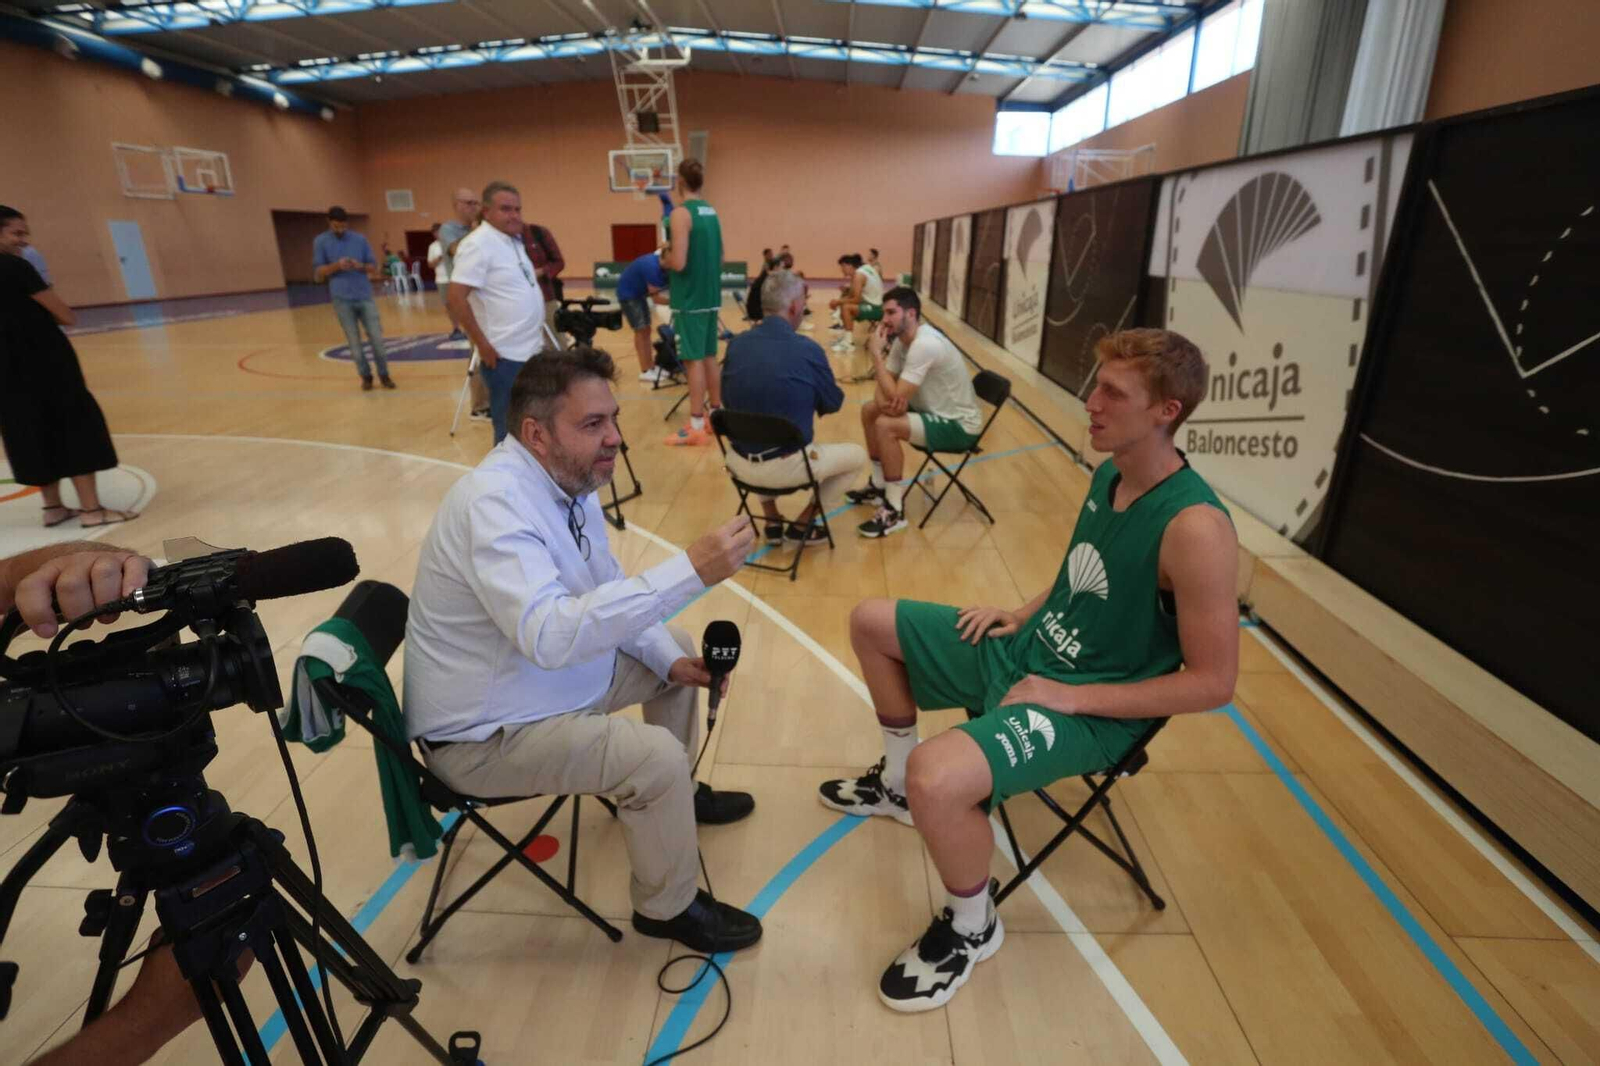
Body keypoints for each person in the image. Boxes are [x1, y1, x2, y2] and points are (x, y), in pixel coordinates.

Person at [821, 328, 1238, 1012]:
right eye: (1095, 383)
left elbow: (1213, 683)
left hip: (1090, 710)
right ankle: (893, 784)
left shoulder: (1196, 530)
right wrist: (1019, 612)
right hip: (1033, 653)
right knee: (871, 620)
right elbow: (1083, 572)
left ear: (1167, 412)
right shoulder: (1111, 472)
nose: (1091, 401)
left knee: (940, 775)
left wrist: (1072, 701)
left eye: (1113, 392)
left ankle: (972, 923)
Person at [404, 347, 764, 953]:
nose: (615, 439)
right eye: (593, 425)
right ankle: (666, 906)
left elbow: (604, 587)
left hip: (530, 690)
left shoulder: (569, 482)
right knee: (652, 756)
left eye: (614, 419)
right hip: (481, 737)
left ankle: (670, 797)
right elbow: (548, 637)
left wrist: (667, 661)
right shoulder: (492, 503)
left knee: (671, 651)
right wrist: (691, 570)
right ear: (536, 434)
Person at [0, 205, 137, 528]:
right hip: (44, 361)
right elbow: (65, 315)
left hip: (6, 370)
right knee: (73, 424)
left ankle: (53, 507)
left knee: (26, 428)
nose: (24, 240)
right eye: (17, 233)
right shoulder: (16, 267)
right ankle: (92, 511)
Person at [720, 270, 866, 545]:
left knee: (758, 423)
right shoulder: (807, 349)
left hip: (737, 463)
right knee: (857, 456)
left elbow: (728, 400)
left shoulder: (736, 345)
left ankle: (772, 519)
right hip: (787, 467)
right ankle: (803, 525)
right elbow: (833, 403)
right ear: (794, 307)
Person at [845, 287, 983, 538]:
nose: (885, 319)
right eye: (884, 313)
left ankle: (894, 509)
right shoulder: (901, 341)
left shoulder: (925, 344)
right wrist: (888, 399)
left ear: (911, 313)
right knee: (870, 411)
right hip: (929, 408)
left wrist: (876, 354)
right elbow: (883, 392)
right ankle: (878, 485)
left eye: (891, 313)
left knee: (885, 425)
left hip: (959, 426)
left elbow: (895, 393)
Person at [447, 181, 547, 446]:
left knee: (532, 428)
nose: (514, 215)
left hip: (530, 352)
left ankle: (528, 485)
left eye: (517, 209)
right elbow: (456, 297)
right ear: (487, 211)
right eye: (506, 209)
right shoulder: (478, 244)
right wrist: (483, 345)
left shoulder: (513, 240)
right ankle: (506, 487)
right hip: (504, 357)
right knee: (509, 435)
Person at [661, 160, 724, 447]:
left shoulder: (680, 214)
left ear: (680, 182)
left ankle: (696, 424)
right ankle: (715, 416)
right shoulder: (712, 212)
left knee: (693, 361)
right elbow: (721, 258)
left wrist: (664, 257)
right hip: (711, 297)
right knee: (709, 356)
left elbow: (679, 261)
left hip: (690, 299)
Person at [312, 206, 393, 391]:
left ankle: (385, 374)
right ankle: (366, 376)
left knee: (377, 340)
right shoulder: (320, 242)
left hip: (364, 296)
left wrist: (359, 265)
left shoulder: (359, 240)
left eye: (342, 226)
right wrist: (337, 265)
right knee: (354, 344)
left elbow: (373, 267)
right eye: (336, 226)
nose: (340, 230)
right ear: (329, 222)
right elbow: (319, 272)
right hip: (342, 299)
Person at [616, 249, 670, 382]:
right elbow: (656, 299)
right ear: (667, 257)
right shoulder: (652, 267)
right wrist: (678, 303)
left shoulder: (662, 265)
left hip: (639, 295)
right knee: (641, 330)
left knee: (646, 330)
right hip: (629, 296)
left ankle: (651, 366)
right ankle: (645, 370)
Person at [519, 218, 567, 347]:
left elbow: (558, 262)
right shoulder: (491, 240)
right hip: (511, 303)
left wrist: (540, 272)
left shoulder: (537, 233)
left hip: (544, 298)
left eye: (516, 210)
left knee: (557, 343)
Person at [828, 253, 885, 353]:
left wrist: (837, 302)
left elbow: (856, 299)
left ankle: (848, 344)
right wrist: (845, 293)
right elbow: (853, 294)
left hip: (876, 309)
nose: (841, 270)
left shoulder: (858, 275)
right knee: (845, 302)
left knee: (846, 307)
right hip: (874, 304)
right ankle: (845, 338)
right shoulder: (866, 268)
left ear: (848, 265)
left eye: (842, 267)